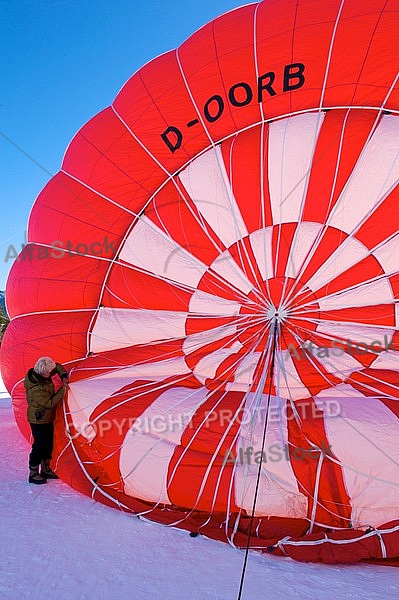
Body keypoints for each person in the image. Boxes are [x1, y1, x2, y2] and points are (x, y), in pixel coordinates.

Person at [25, 356, 69, 485]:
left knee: (48, 443)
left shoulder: (42, 373)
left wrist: (63, 375)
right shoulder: (35, 389)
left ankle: (45, 469)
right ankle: (33, 473)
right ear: (44, 372)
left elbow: (58, 366)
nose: (51, 374)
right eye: (49, 373)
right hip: (38, 420)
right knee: (39, 446)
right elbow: (49, 403)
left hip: (48, 417)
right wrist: (63, 390)